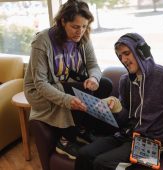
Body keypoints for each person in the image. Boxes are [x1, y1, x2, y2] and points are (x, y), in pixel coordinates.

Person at [75, 33, 163, 170]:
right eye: (120, 56)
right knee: (83, 154)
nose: (123, 59)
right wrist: (116, 110)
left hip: (153, 143)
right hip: (127, 135)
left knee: (102, 163)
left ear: (142, 52)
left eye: (126, 53)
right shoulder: (125, 81)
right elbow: (125, 119)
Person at [24, 0, 113, 160]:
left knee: (105, 84)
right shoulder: (42, 41)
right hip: (41, 90)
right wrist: (66, 100)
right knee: (70, 93)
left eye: (84, 26)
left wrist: (93, 78)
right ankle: (65, 141)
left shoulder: (83, 38)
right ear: (63, 21)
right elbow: (40, 83)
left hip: (65, 83)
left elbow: (94, 65)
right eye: (75, 26)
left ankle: (81, 130)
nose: (80, 31)